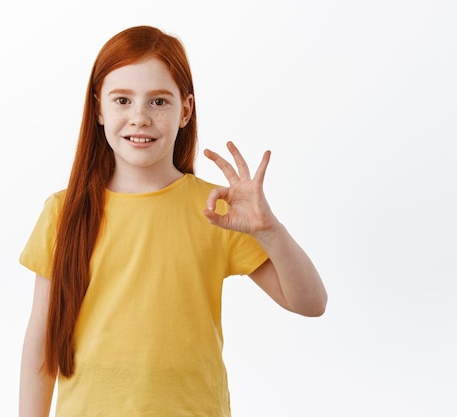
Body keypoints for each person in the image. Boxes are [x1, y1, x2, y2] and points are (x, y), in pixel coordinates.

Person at [19, 25, 327, 417]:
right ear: (98, 109)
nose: (140, 117)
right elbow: (39, 340)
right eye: (123, 100)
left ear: (186, 110)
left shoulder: (218, 209)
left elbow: (311, 303)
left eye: (159, 102)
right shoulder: (63, 212)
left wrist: (270, 232)